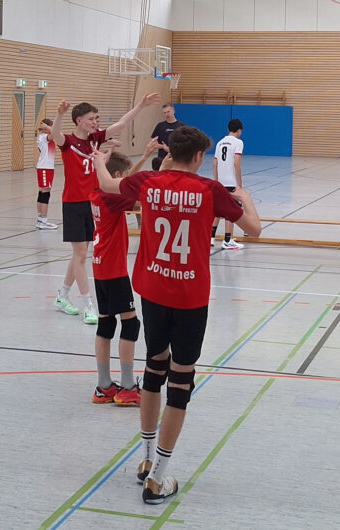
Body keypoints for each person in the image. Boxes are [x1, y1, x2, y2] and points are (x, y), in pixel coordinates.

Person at [93, 126, 261, 505]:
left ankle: (146, 459)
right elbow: (254, 229)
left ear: (172, 153)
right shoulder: (210, 191)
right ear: (200, 157)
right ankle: (160, 477)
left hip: (153, 291)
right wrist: (247, 199)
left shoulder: (148, 182)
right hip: (189, 296)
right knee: (181, 380)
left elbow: (106, 184)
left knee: (154, 368)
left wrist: (100, 160)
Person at [50, 93, 161, 325]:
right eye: (92, 118)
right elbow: (55, 134)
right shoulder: (69, 142)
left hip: (93, 202)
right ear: (79, 120)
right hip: (73, 204)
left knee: (79, 253)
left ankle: (62, 296)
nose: (95, 122)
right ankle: (89, 305)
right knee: (81, 254)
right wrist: (59, 114)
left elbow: (121, 124)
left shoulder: (95, 140)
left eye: (97, 118)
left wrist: (140, 104)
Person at [88, 139, 162, 405]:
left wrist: (143, 157)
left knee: (106, 323)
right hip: (113, 269)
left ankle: (104, 386)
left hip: (99, 267)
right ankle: (128, 386)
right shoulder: (112, 197)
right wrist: (159, 169)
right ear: (116, 176)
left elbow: (123, 182)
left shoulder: (97, 192)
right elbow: (131, 189)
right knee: (131, 323)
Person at [211, 119, 245, 250]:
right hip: (231, 182)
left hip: (220, 182)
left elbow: (214, 164)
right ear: (239, 130)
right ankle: (227, 240)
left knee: (218, 211)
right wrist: (239, 183)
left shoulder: (220, 143)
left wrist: (217, 180)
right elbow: (237, 163)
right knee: (230, 210)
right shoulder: (238, 142)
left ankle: (211, 238)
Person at [35, 118, 58, 230]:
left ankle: (41, 220)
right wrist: (48, 128)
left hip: (46, 168)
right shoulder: (44, 137)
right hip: (45, 168)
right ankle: (43, 221)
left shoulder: (44, 137)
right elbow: (54, 134)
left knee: (42, 192)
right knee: (45, 194)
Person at [149, 103, 185, 170]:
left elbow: (185, 145)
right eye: (164, 113)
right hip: (162, 160)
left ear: (173, 111)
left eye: (168, 112)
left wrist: (171, 150)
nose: (167, 114)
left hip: (176, 160)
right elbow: (153, 144)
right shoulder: (160, 126)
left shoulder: (182, 126)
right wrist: (163, 147)